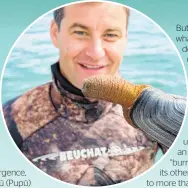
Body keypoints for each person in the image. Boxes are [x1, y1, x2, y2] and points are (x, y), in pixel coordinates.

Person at [2, 2, 186, 186]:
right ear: (55, 33)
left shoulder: (153, 113)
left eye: (111, 35)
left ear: (125, 39)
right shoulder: (11, 120)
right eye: (80, 33)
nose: (96, 53)